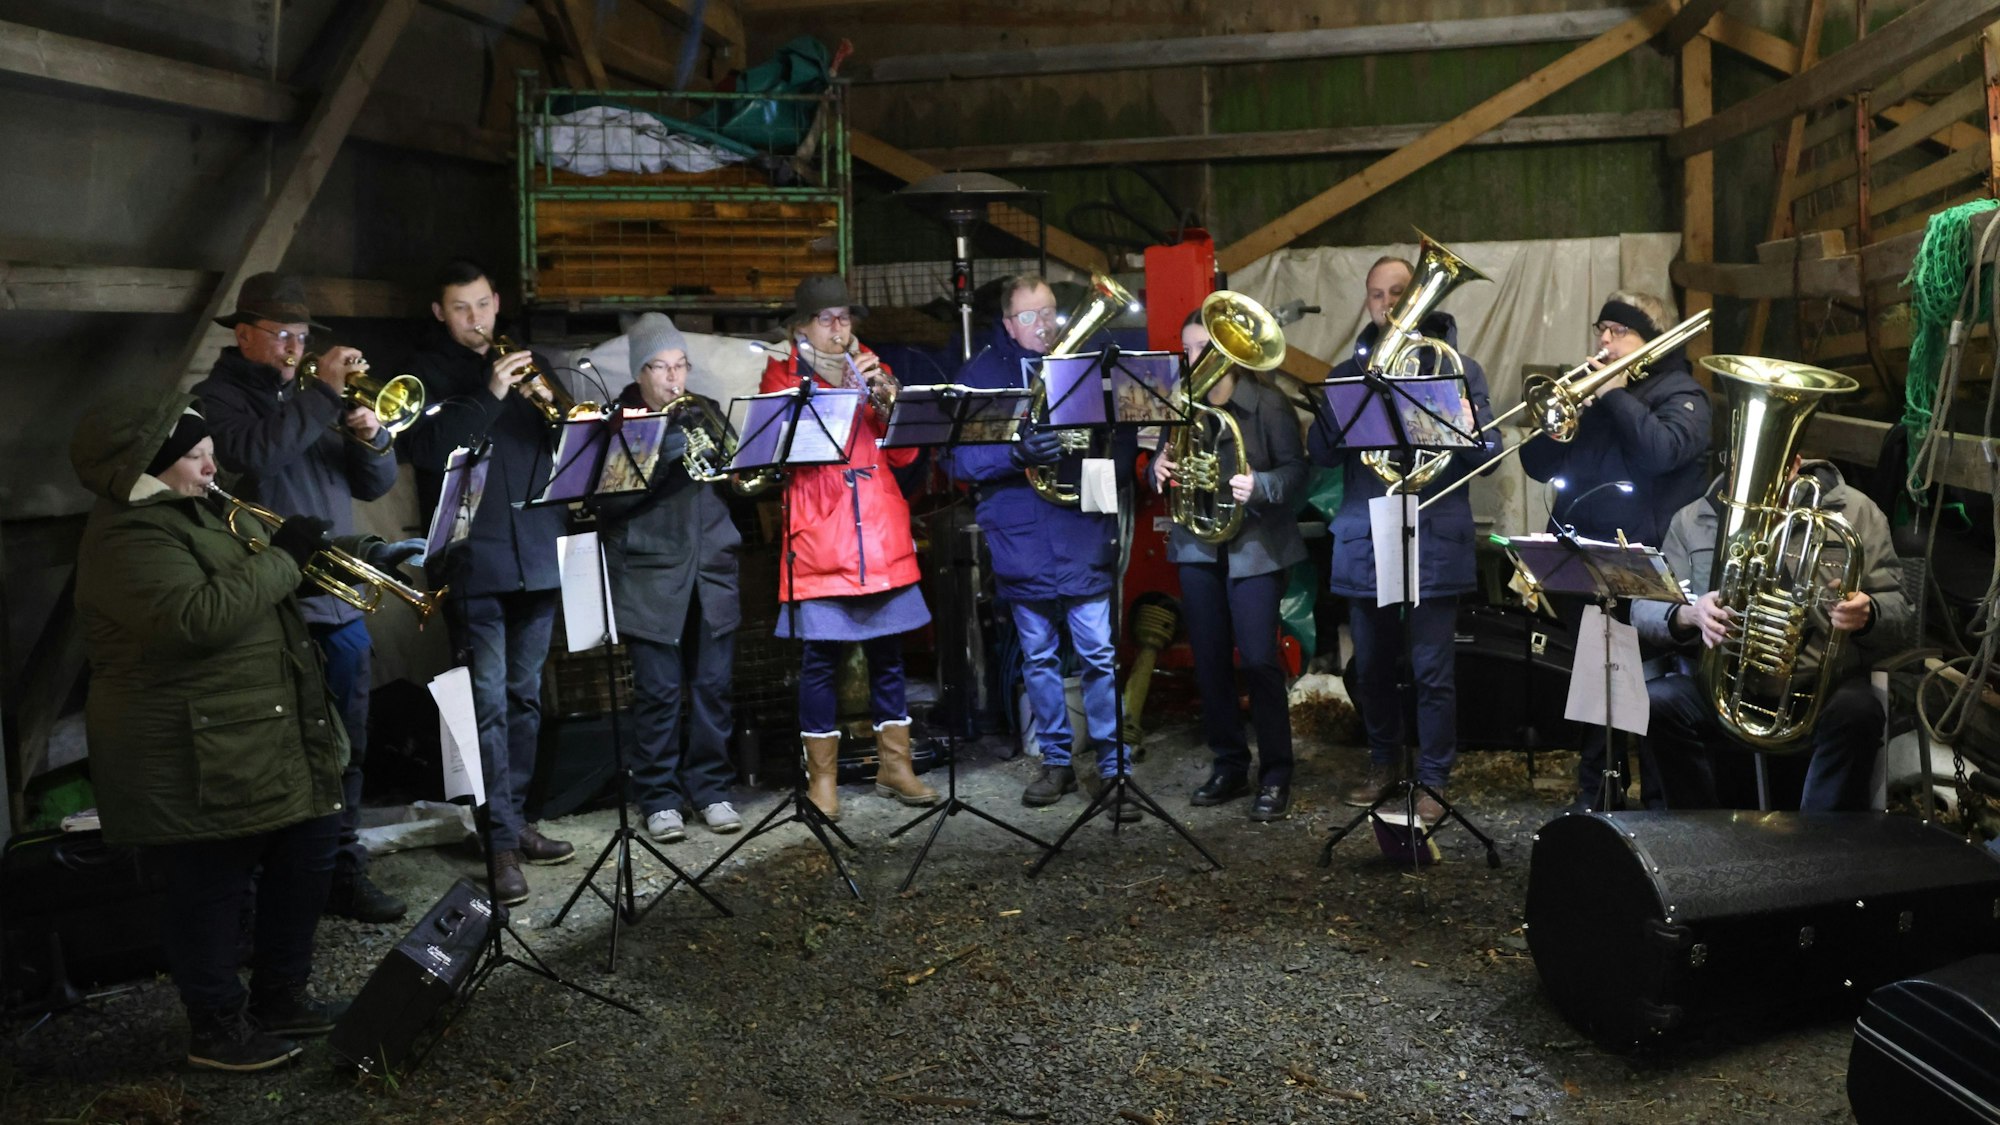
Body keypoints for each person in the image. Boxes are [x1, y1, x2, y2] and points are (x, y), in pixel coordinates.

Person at [71, 395, 406, 1070]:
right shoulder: (128, 534)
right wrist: (285, 558)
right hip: (194, 745)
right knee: (211, 883)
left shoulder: (203, 510)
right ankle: (217, 1027)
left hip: (258, 729)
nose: (210, 464)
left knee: (307, 851)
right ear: (154, 465)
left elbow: (272, 560)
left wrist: (371, 550)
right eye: (195, 456)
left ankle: (281, 996)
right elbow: (195, 618)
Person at [190, 272, 414, 925]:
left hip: (339, 602)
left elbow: (371, 485)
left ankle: (342, 873)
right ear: (244, 335)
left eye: (301, 335)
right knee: (279, 759)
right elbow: (255, 452)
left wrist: (370, 433)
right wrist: (320, 392)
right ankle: (275, 894)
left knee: (351, 748)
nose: (294, 345)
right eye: (282, 334)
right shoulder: (216, 399)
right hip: (271, 610)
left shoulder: (313, 395)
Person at [402, 259, 573, 907]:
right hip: (476, 561)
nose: (476, 320)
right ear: (440, 314)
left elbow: (570, 438)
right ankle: (497, 839)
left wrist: (553, 408)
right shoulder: (427, 374)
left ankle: (516, 818)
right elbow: (423, 450)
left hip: (537, 551)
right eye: (461, 309)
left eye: (483, 305)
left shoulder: (530, 362)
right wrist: (492, 393)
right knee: (488, 705)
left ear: (497, 302)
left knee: (527, 697)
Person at [1308, 256, 1497, 824]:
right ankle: (1384, 761)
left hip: (1431, 534)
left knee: (1432, 670)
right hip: (1368, 535)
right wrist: (1335, 403)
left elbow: (1486, 457)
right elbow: (1320, 454)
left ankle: (1434, 779)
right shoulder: (1348, 370)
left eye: (1399, 292)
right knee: (1371, 666)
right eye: (1377, 294)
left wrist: (1459, 413)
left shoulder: (1460, 368)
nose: (1387, 304)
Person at [948, 275, 1138, 820]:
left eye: (1050, 311)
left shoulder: (1087, 364)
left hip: (1080, 526)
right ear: (1007, 323)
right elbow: (960, 464)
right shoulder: (981, 376)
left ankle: (1112, 764)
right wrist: (1016, 453)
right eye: (1030, 317)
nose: (1045, 324)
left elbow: (1122, 433)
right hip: (1021, 534)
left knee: (1099, 652)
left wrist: (1115, 466)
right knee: (1039, 655)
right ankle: (1056, 759)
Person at [1518, 289, 1711, 810]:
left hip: (1653, 569)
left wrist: (1614, 396)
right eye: (1601, 329)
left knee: (1648, 691)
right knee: (1597, 688)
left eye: (1619, 330)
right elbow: (1536, 464)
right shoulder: (1596, 393)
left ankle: (1657, 807)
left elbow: (1661, 452)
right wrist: (1567, 412)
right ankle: (1596, 796)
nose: (1604, 340)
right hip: (1588, 556)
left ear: (1651, 339)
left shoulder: (1684, 394)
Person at [758, 275, 938, 821]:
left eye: (845, 318)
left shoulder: (875, 368)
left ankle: (895, 765)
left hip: (878, 530)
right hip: (821, 533)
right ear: (803, 328)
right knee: (820, 661)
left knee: (888, 652)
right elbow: (776, 457)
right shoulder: (780, 377)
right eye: (827, 319)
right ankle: (824, 780)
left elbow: (905, 460)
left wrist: (885, 403)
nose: (840, 329)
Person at [1632, 456, 1907, 812]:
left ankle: (1817, 844)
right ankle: (1699, 833)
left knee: (1859, 712)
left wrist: (1870, 613)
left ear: (1795, 460)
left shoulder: (1856, 512)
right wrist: (1689, 614)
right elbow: (1644, 607)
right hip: (1722, 685)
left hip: (1818, 688)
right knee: (1658, 704)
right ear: (1728, 458)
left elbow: (1901, 611)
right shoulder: (1693, 519)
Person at [591, 313, 744, 842]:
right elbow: (611, 501)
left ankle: (712, 789)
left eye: (681, 366)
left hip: (711, 570)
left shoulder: (704, 410)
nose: (675, 379)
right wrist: (661, 458)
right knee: (657, 693)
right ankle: (658, 797)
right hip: (650, 575)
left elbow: (736, 475)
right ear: (641, 371)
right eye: (662, 368)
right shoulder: (619, 420)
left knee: (713, 688)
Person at [1149, 307, 1306, 820]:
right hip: (1198, 543)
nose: (1193, 360)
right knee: (1210, 658)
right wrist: (1159, 466)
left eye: (1203, 349)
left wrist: (1262, 485)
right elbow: (1159, 457)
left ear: (1229, 353)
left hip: (1255, 547)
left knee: (1259, 658)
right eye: (1188, 350)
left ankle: (1277, 772)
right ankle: (1229, 764)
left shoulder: (1268, 404)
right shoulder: (1179, 405)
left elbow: (1295, 476)